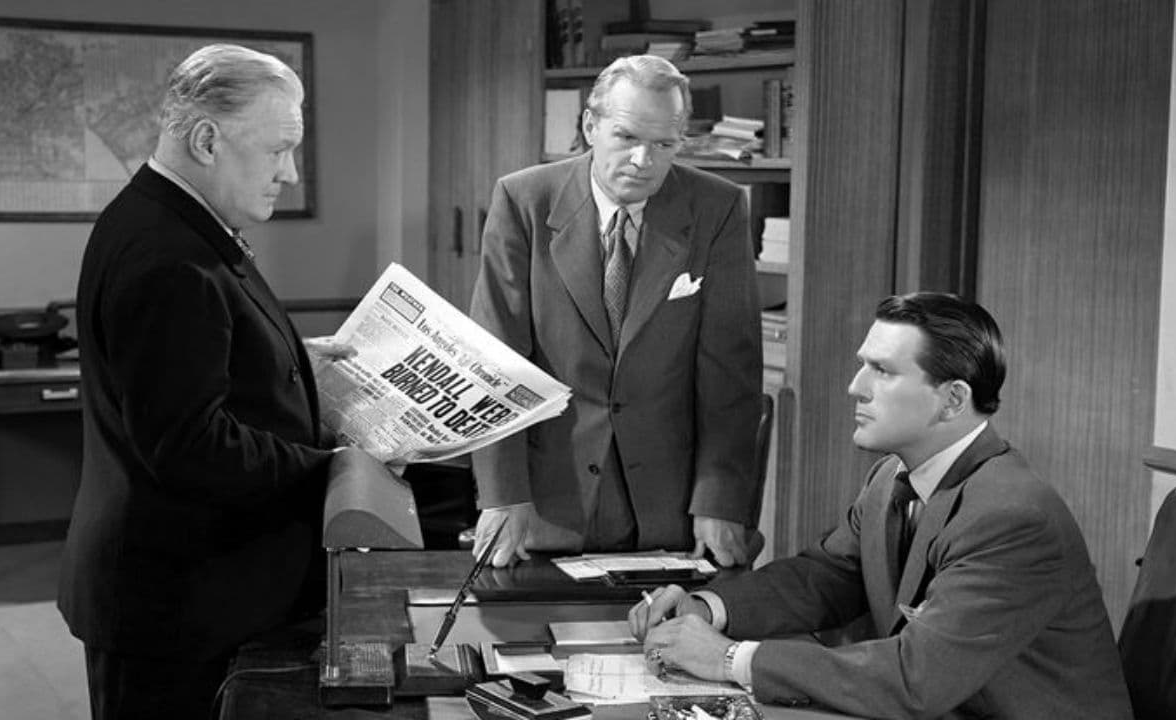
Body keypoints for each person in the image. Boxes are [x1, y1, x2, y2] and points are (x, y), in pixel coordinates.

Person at [629, 293, 1134, 719]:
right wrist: (709, 607)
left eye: (882, 371)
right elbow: (825, 577)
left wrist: (729, 658)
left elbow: (916, 677)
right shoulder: (891, 477)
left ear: (953, 400)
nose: (856, 387)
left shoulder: (1013, 517)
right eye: (863, 365)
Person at [59, 44, 351, 719]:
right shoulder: (169, 256)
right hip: (175, 608)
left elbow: (194, 363)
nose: (290, 173)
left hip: (189, 592)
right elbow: (191, 445)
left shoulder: (167, 218)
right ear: (207, 140)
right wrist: (334, 468)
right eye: (279, 149)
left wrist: (293, 360)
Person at [468, 54, 762, 568]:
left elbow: (730, 374)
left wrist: (717, 501)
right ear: (590, 126)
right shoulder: (523, 201)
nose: (643, 161)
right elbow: (495, 361)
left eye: (664, 144)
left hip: (671, 506)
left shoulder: (718, 208)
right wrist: (502, 494)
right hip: (543, 503)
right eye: (626, 137)